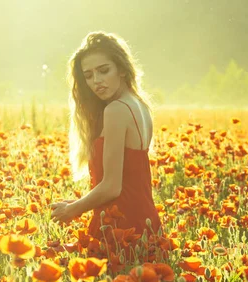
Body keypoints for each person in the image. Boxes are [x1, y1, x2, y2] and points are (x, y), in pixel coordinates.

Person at [50, 31, 163, 263]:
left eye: (104, 70)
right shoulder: (140, 105)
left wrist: (73, 210)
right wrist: (78, 204)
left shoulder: (116, 110)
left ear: (121, 68)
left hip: (120, 225)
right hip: (144, 222)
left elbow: (112, 187)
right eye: (88, 75)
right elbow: (129, 179)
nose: (96, 82)